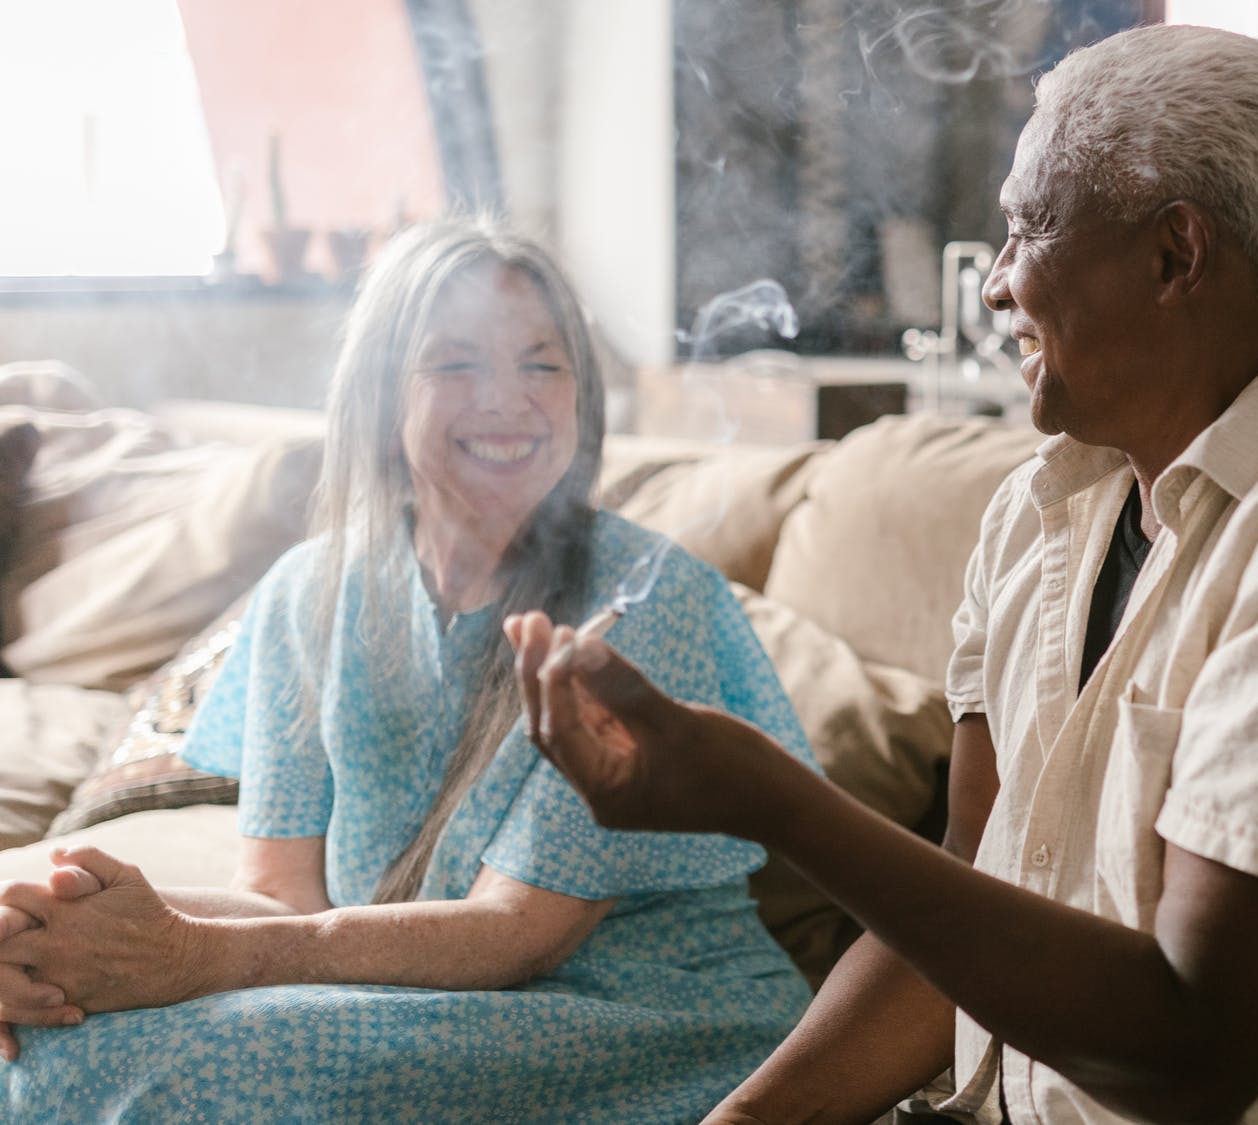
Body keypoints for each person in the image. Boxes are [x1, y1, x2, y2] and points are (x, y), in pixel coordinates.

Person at [513, 24, 1258, 1124]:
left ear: (1173, 256)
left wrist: (770, 800)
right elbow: (965, 908)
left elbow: (1187, 1055)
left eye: (1025, 227)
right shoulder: (1039, 511)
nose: (998, 283)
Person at [0, 218, 816, 1122]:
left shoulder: (645, 600)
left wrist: (190, 956)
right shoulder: (308, 591)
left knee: (199, 1064)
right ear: (382, 399)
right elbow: (277, 898)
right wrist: (53, 934)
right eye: (455, 364)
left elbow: (518, 936)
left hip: (645, 1013)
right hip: (410, 996)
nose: (507, 400)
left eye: (543, 365)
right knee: (56, 1036)